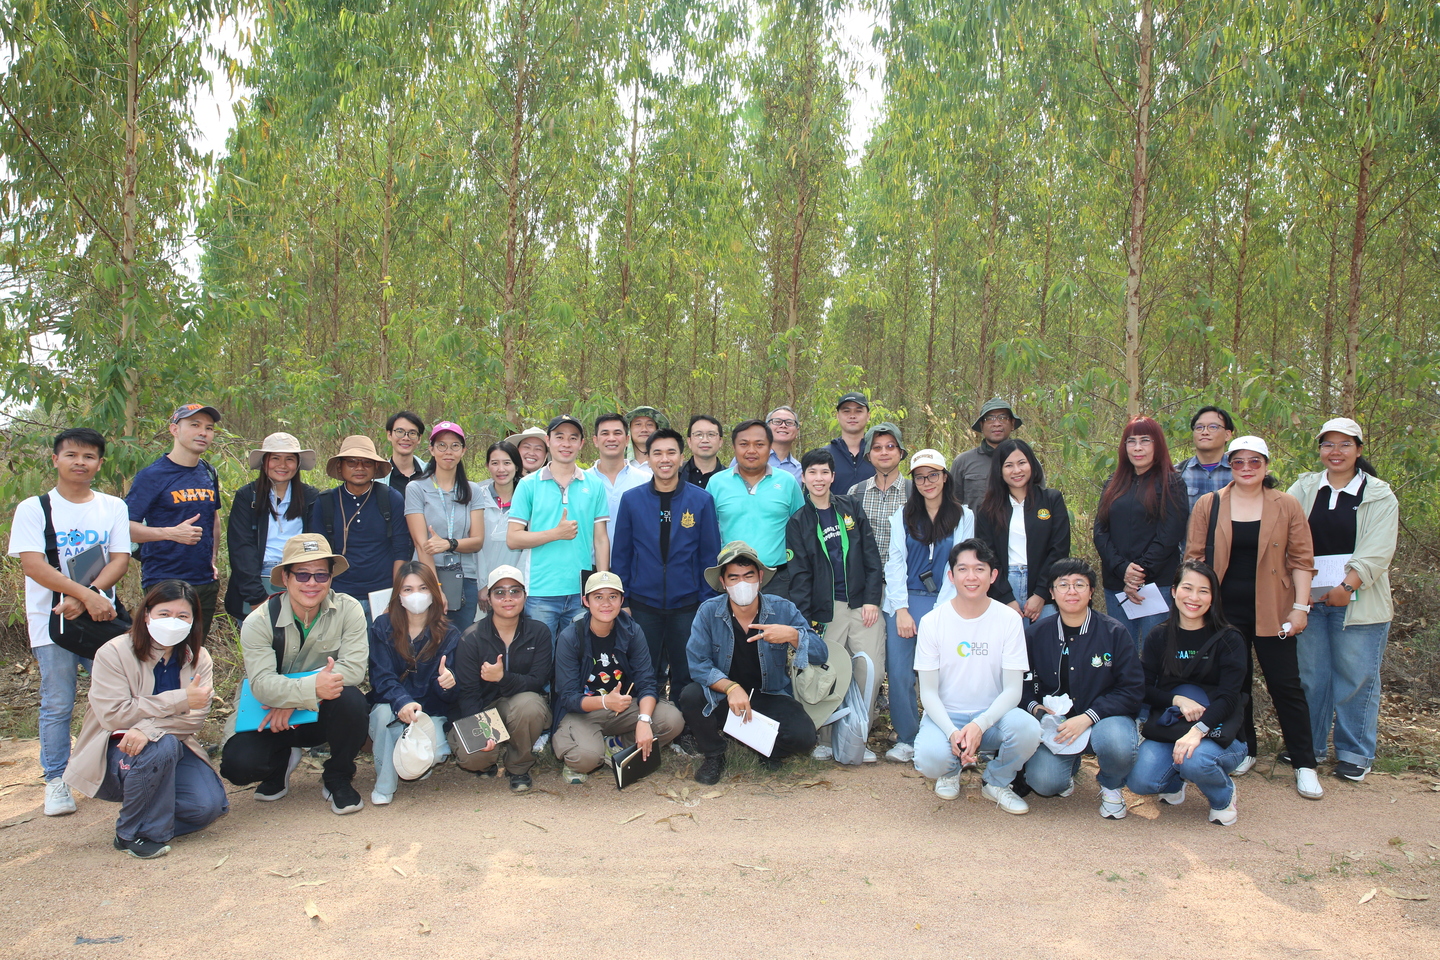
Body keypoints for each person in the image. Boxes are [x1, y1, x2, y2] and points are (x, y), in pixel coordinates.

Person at [1185, 436, 1322, 799]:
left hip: (1274, 608)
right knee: (1234, 685)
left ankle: (1305, 763)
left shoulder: (1286, 504)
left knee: (1286, 685)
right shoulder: (1210, 503)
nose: (1246, 468)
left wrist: (1300, 607)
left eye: (1254, 461)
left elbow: (1302, 560)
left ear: (1266, 465)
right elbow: (1194, 558)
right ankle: (1244, 748)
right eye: (1239, 462)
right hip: (1224, 612)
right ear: (1230, 465)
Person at [9, 428, 131, 817]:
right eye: (72, 455)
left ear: (100, 463)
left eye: (89, 456)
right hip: (51, 621)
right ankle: (56, 779)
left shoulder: (113, 506)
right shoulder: (34, 508)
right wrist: (85, 595)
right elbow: (33, 565)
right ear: (55, 459)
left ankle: (117, 769)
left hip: (101, 620)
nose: (80, 462)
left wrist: (90, 596)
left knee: (116, 696)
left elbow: (120, 560)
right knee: (58, 701)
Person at [62, 580, 228, 858]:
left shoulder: (199, 658)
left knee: (205, 808)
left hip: (169, 748)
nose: (173, 622)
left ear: (193, 621)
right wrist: (180, 700)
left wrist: (148, 729)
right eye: (164, 613)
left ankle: (149, 816)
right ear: (147, 614)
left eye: (183, 616)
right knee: (161, 745)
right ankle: (132, 833)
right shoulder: (113, 653)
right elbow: (113, 714)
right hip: (116, 751)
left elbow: (194, 719)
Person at [220, 534, 371, 815]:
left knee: (352, 702)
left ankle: (338, 776)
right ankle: (278, 766)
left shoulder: (348, 609)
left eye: (320, 575)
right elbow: (262, 684)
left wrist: (295, 698)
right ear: (285, 578)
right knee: (238, 766)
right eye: (302, 574)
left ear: (330, 578)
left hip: (319, 711)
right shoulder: (258, 622)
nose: (312, 583)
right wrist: (308, 690)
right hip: (270, 714)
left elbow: (353, 669)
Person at [1289, 418, 1398, 782]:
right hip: (1310, 601)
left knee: (1355, 679)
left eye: (1345, 444)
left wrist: (1347, 587)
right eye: (1328, 444)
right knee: (1312, 677)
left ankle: (1354, 753)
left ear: (1359, 449)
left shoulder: (1379, 494)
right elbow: (1284, 532)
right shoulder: (1305, 488)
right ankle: (1310, 748)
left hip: (1358, 602)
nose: (1335, 452)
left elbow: (1378, 550)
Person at [679, 541, 827, 784]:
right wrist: (730, 687)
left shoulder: (783, 609)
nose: (742, 584)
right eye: (734, 578)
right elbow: (697, 664)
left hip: (769, 695)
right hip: (724, 697)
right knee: (691, 695)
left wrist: (793, 635)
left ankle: (763, 747)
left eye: (748, 576)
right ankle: (714, 754)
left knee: (804, 738)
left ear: (760, 577)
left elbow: (821, 654)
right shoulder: (708, 612)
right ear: (723, 582)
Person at [912, 539, 1040, 814]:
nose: (971, 577)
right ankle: (950, 771)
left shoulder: (1009, 619)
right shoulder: (932, 622)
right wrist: (952, 732)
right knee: (929, 759)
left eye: (979, 569)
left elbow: (1013, 690)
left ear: (993, 576)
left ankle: (996, 781)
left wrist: (980, 725)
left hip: (993, 717)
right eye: (963, 569)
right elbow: (929, 692)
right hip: (947, 717)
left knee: (1029, 730)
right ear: (951, 576)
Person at [1126, 561, 1250, 826]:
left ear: (1213, 597)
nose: (1194, 598)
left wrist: (1197, 731)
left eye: (1203, 591)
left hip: (1217, 731)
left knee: (1195, 761)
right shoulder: (1159, 636)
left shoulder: (1229, 639)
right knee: (1139, 781)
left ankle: (1223, 797)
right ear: (1173, 591)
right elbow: (1142, 688)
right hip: (1171, 729)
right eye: (1187, 588)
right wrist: (1176, 700)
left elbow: (1230, 697)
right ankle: (1174, 783)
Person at [1018, 559, 1143, 819]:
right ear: (1052, 593)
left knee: (1118, 745)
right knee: (1044, 783)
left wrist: (1088, 717)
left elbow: (1132, 689)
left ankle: (1111, 785)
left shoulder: (1114, 632)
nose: (1071, 591)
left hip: (1105, 718)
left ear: (1091, 591)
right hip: (1058, 726)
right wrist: (1036, 708)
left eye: (1079, 584)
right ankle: (1069, 766)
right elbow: (1021, 684)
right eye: (1063, 585)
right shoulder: (1036, 635)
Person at [787, 448, 884, 762]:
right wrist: (805, 622)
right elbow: (800, 575)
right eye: (812, 472)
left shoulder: (850, 507)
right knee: (828, 675)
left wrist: (872, 600)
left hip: (862, 605)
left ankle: (858, 737)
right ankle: (826, 739)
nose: (819, 478)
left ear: (833, 476)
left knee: (870, 671)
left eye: (824, 472)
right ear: (803, 478)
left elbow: (870, 554)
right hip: (826, 611)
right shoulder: (799, 521)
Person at [611, 428, 721, 703]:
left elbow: (709, 556)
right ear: (647, 458)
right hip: (643, 603)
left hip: (687, 604)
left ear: (681, 457)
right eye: (657, 453)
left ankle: (684, 721)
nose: (664, 459)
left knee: (686, 671)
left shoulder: (701, 500)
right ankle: (645, 719)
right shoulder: (632, 499)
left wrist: (706, 602)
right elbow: (622, 554)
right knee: (644, 670)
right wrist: (623, 599)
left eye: (671, 452)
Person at [881, 449, 973, 763]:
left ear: (945, 477)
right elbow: (895, 563)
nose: (927, 482)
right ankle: (907, 737)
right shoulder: (903, 515)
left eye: (933, 475)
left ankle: (946, 735)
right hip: (906, 602)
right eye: (920, 477)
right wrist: (901, 610)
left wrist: (942, 611)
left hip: (947, 603)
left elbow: (961, 565)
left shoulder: (964, 516)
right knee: (900, 674)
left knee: (945, 675)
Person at [552, 572, 684, 783]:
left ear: (622, 601)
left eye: (613, 596)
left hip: (623, 708)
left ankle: (616, 744)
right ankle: (586, 750)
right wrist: (605, 701)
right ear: (586, 601)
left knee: (672, 720)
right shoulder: (571, 636)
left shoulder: (632, 631)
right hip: (583, 711)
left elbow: (646, 681)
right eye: (598, 597)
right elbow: (568, 697)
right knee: (586, 758)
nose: (606, 603)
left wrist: (644, 720)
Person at [507, 414, 611, 638]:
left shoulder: (594, 485)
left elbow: (601, 539)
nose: (566, 444)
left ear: (582, 444)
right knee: (540, 655)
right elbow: (513, 539)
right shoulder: (528, 485)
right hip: (539, 592)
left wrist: (602, 584)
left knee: (577, 655)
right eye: (559, 437)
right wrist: (555, 533)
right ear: (548, 441)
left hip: (580, 592)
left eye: (573, 438)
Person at [451, 566, 553, 792]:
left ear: (525, 596)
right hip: (483, 707)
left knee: (530, 705)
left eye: (515, 591)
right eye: (499, 592)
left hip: (519, 706)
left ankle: (518, 767)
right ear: (488, 598)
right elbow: (468, 693)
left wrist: (502, 678)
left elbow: (537, 681)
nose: (508, 598)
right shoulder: (471, 638)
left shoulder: (539, 632)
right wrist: (482, 732)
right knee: (474, 758)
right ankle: (489, 760)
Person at [366, 562, 460, 805]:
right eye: (408, 589)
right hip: (391, 705)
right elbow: (381, 676)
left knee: (434, 754)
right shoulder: (382, 626)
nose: (416, 595)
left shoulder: (449, 633)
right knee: (383, 716)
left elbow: (449, 696)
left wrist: (447, 683)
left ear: (434, 591)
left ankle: (414, 762)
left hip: (430, 712)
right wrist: (402, 702)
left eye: (423, 588)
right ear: (398, 594)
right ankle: (385, 785)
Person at [125, 403, 222, 639]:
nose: (203, 433)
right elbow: (125, 528)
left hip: (204, 581)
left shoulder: (208, 472)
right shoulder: (152, 476)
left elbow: (213, 518)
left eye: (209, 428)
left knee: (195, 651)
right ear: (174, 430)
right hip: (165, 580)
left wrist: (212, 560)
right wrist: (170, 533)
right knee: (163, 650)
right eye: (195, 425)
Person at [1092, 416, 1189, 647]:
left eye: (1145, 440)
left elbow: (1170, 533)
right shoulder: (1113, 483)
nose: (1137, 448)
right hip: (1117, 583)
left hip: (1156, 585)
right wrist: (1122, 569)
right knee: (1122, 650)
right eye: (1131, 441)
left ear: (1157, 445)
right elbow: (1100, 530)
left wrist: (1138, 574)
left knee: (1155, 650)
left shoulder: (1172, 482)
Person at [313, 436, 410, 622]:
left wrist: (395, 595)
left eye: (367, 463)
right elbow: (319, 554)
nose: (359, 468)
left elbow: (401, 550)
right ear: (340, 467)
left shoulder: (391, 498)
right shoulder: (325, 502)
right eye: (352, 462)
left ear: (375, 467)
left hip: (383, 593)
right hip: (338, 594)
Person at [974, 438, 1069, 623]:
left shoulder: (1051, 499)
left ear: (1031, 464)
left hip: (1045, 586)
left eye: (1022, 463)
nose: (1016, 470)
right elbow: (987, 555)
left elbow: (1059, 549)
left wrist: (1041, 593)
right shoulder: (987, 508)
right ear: (999, 470)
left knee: (1044, 640)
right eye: (1009, 465)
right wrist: (1006, 597)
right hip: (1003, 587)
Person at [707, 419, 804, 599]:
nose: (751, 450)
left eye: (759, 444)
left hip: (778, 579)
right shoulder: (716, 483)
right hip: (732, 577)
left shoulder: (787, 482)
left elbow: (801, 529)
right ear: (734, 447)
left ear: (770, 447)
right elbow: (706, 533)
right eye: (744, 444)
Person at [225, 433, 319, 619]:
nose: (282, 465)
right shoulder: (247, 496)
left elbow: (316, 544)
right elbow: (241, 548)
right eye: (275, 458)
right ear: (264, 461)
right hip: (257, 576)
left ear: (298, 464)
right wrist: (256, 597)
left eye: (289, 459)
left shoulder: (310, 497)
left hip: (298, 575)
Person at [405, 421, 489, 628]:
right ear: (431, 450)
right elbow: (421, 544)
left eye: (455, 446)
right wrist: (435, 589)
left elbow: (477, 541)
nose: (448, 451)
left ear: (463, 451)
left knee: (461, 640)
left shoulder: (473, 490)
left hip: (464, 578)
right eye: (441, 445)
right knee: (427, 639)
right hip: (425, 578)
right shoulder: (416, 488)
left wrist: (448, 544)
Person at [951, 398, 1021, 511]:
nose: (997, 424)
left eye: (1003, 418)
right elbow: (953, 505)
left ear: (1012, 424)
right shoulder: (963, 462)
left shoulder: (1025, 462)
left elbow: (1038, 500)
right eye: (990, 419)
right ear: (981, 425)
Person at [477, 440, 529, 594]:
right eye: (495, 463)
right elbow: (474, 544)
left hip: (516, 586)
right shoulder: (478, 496)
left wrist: (518, 584)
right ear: (487, 466)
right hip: (480, 585)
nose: (501, 469)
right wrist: (482, 584)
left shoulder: (527, 499)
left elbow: (528, 550)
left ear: (517, 466)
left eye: (507, 463)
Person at [591, 412, 652, 542]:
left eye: (617, 433)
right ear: (595, 441)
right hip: (591, 555)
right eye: (605, 433)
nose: (611, 438)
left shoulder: (646, 480)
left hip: (633, 555)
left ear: (627, 440)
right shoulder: (582, 481)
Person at [1177, 406, 1235, 510]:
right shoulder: (1176, 473)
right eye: (1199, 427)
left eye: (1213, 427)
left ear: (1227, 435)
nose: (1205, 432)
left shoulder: (1240, 472)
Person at [827, 392, 875, 493]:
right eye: (846, 411)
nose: (852, 416)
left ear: (868, 416)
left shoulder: (879, 454)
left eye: (858, 411)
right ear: (838, 416)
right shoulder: (824, 455)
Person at [379, 411, 427, 499]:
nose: (406, 438)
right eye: (400, 431)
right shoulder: (378, 478)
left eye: (412, 433)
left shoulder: (431, 474)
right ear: (389, 435)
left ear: (419, 438)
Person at [682, 414, 726, 488]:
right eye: (698, 434)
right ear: (689, 442)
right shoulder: (676, 474)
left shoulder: (730, 479)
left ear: (720, 441)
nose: (705, 440)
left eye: (711, 435)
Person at [763, 407, 803, 479]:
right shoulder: (751, 460)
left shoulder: (800, 471)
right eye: (777, 422)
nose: (783, 425)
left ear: (797, 431)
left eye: (789, 423)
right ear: (766, 428)